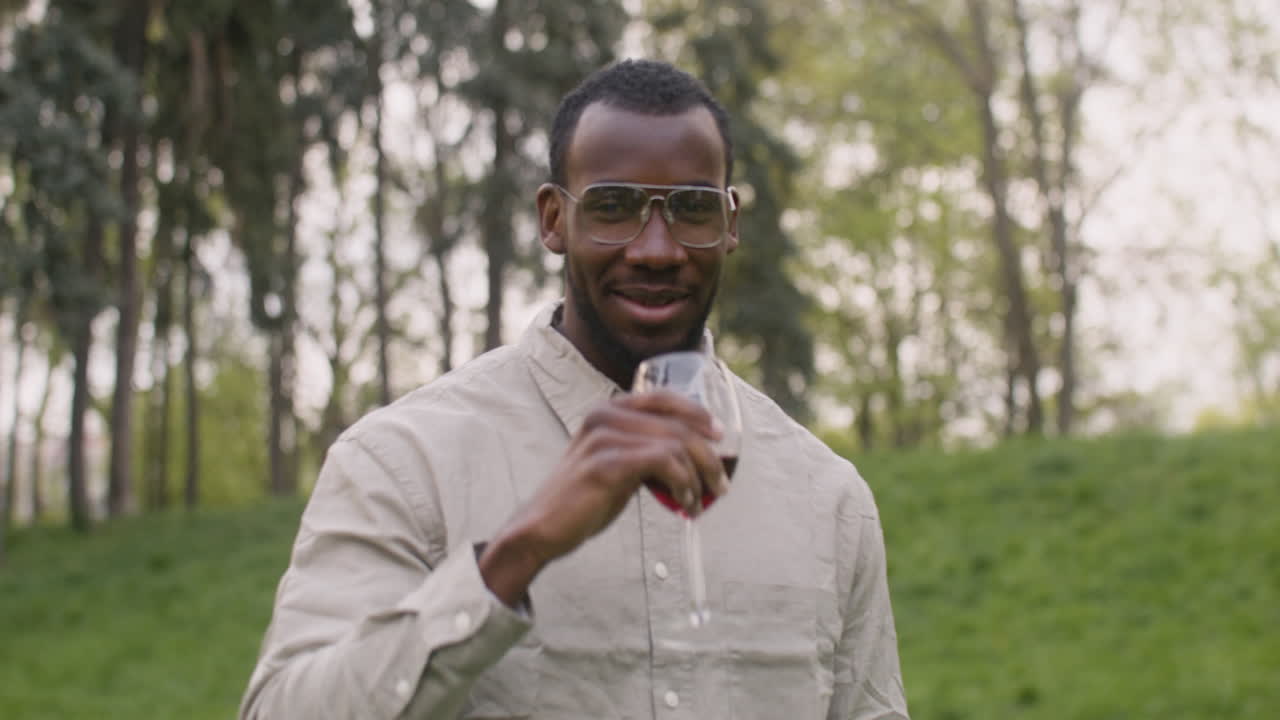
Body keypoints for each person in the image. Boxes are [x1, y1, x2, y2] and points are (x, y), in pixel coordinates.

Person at [240, 59, 908, 720]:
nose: (656, 250)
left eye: (692, 210)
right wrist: (515, 554)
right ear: (554, 218)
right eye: (613, 208)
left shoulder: (830, 499)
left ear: (730, 223)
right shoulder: (403, 461)